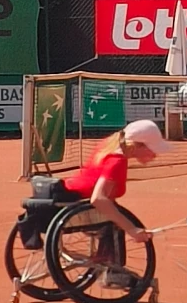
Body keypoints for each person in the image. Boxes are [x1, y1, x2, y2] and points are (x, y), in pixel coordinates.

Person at [55, 119, 171, 285]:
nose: (155, 155)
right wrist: (131, 229)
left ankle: (106, 261)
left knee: (114, 215)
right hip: (76, 206)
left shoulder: (110, 144)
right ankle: (113, 271)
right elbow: (99, 198)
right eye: (152, 150)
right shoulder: (117, 161)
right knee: (117, 222)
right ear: (138, 145)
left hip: (67, 198)